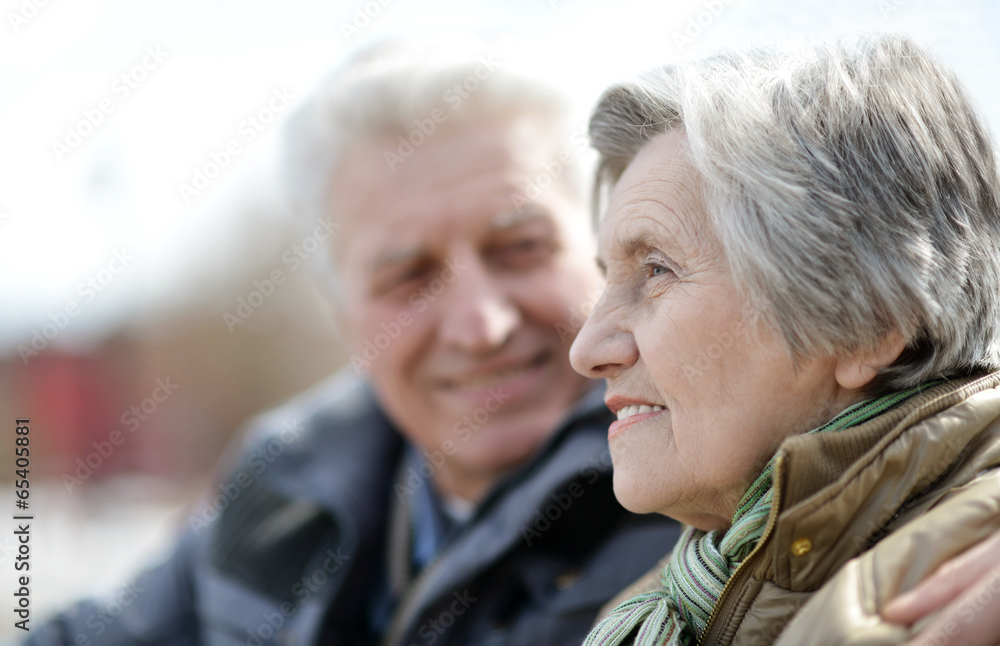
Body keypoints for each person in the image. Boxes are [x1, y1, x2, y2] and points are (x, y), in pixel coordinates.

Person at [23, 38, 680, 646]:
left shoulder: (693, 495)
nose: (482, 326)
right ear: (343, 317)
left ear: (599, 249)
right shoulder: (285, 481)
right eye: (410, 277)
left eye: (519, 248)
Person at [570, 34, 1000, 645]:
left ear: (870, 323)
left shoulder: (972, 590)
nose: (587, 351)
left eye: (656, 270)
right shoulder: (665, 605)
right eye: (605, 280)